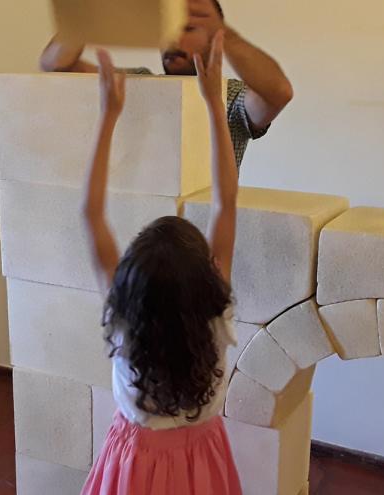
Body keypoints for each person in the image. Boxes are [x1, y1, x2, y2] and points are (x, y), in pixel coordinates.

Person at [80, 32, 242, 494]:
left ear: (131, 285)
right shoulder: (215, 318)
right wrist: (214, 104)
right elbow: (225, 205)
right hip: (203, 460)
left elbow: (90, 215)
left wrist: (108, 117)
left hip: (137, 464)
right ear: (207, 281)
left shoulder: (126, 324)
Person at [40, 0, 293, 169]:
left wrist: (226, 33)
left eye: (189, 29)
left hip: (197, 243)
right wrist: (90, 17)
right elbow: (56, 65)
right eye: (169, 31)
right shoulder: (140, 83)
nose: (174, 41)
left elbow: (277, 93)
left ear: (215, 38)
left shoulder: (230, 97)